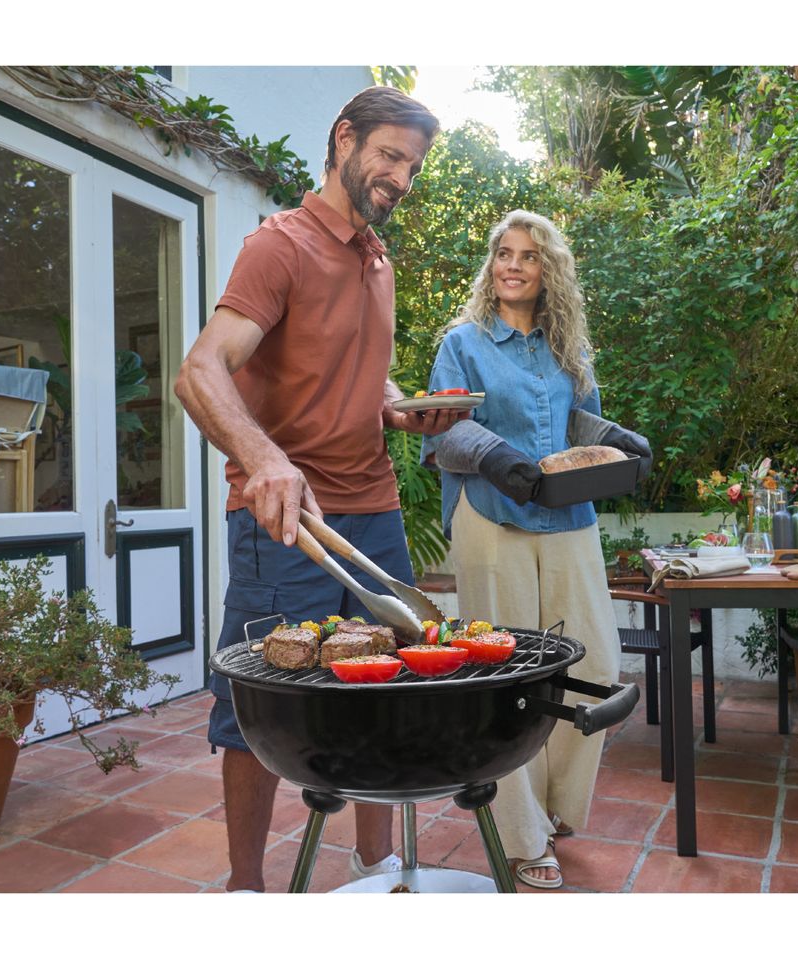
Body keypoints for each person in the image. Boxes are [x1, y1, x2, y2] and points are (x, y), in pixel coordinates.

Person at [174, 87, 468, 893]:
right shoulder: (280, 246)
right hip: (289, 522)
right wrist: (265, 459)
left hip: (373, 511)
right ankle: (247, 888)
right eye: (390, 155)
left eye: (412, 164)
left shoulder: (378, 258)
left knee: (385, 687)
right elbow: (199, 370)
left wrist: (398, 404)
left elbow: (350, 364)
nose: (401, 177)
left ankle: (379, 866)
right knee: (259, 706)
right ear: (345, 138)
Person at [420, 210, 652, 888]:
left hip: (568, 513)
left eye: (528, 256)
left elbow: (580, 419)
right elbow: (441, 430)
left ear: (548, 269)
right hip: (491, 516)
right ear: (492, 265)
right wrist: (494, 456)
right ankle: (523, 837)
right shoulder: (462, 343)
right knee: (508, 677)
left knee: (597, 660)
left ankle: (557, 808)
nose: (513, 265)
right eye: (503, 254)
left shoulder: (566, 344)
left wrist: (620, 436)